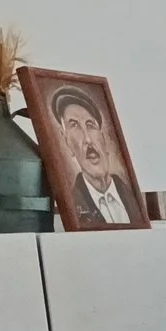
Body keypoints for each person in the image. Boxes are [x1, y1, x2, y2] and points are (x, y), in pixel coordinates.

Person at [50, 87, 136, 226]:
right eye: (75, 126)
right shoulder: (72, 207)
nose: (88, 140)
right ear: (67, 142)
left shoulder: (133, 200)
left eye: (90, 125)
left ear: (103, 137)